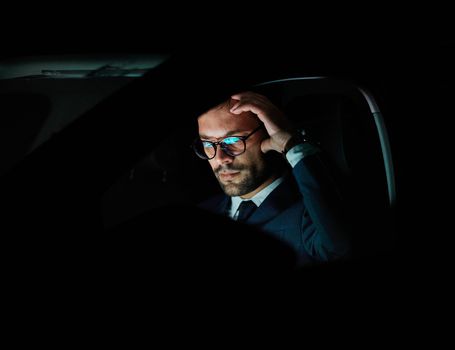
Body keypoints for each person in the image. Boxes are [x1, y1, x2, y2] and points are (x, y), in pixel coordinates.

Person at [193, 91, 351, 266]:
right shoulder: (199, 214)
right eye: (207, 144)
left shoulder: (308, 216)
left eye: (232, 140)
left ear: (269, 134)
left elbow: (340, 249)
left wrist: (290, 143)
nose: (220, 158)